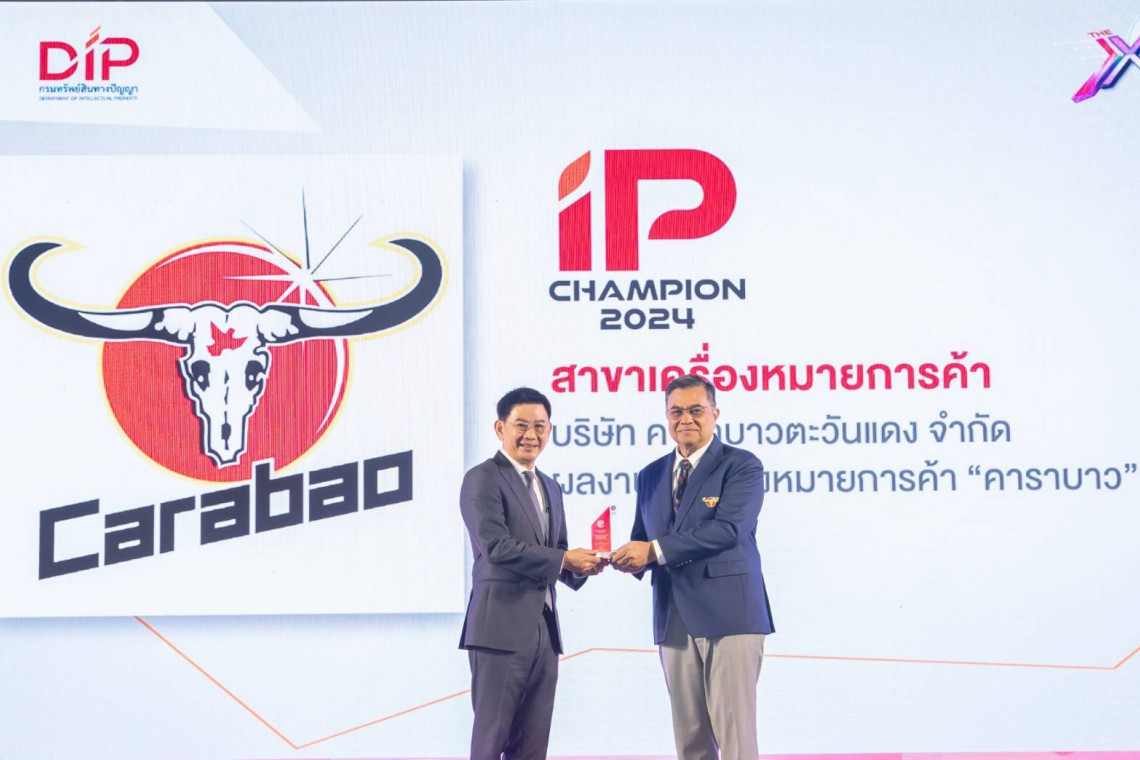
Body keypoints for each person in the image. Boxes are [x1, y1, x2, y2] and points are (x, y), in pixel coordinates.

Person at [612, 374, 774, 760]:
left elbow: (728, 530)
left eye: (696, 410)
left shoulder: (741, 465)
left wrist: (652, 551)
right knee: (690, 743)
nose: (686, 419)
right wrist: (609, 560)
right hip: (673, 618)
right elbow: (643, 538)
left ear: (715, 413)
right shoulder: (650, 475)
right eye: (676, 411)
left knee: (736, 740)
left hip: (729, 616)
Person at [459, 386, 605, 760]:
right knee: (491, 741)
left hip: (545, 630)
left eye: (539, 426)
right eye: (521, 425)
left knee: (533, 745)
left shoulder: (550, 487)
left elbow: (558, 550)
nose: (531, 435)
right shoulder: (483, 478)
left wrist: (588, 564)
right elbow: (496, 547)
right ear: (500, 428)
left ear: (549, 430)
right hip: (499, 629)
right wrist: (564, 560)